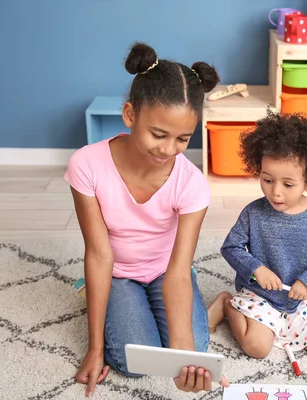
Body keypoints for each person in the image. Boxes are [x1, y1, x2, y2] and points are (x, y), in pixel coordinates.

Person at [64, 42, 228, 397]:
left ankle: (208, 312)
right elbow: (98, 254)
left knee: (188, 353)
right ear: (129, 114)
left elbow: (178, 271)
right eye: (158, 134)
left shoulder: (192, 184)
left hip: (167, 272)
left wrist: (186, 358)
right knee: (132, 362)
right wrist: (94, 350)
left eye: (183, 138)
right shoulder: (86, 165)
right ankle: (95, 297)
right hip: (116, 273)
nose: (168, 150)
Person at [207, 111, 307, 359]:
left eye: (288, 184)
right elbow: (231, 247)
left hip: (297, 295)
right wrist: (256, 268)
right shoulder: (253, 212)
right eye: (267, 180)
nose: (275, 192)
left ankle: (279, 323)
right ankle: (227, 305)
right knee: (257, 349)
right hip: (260, 293)